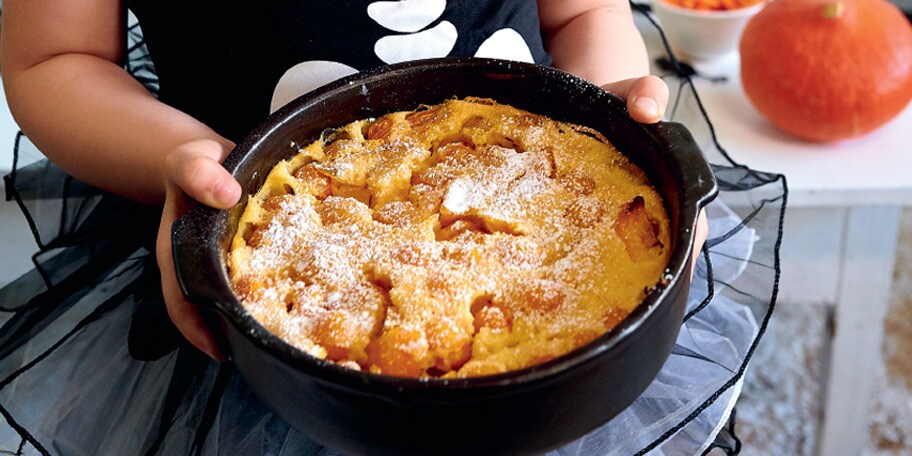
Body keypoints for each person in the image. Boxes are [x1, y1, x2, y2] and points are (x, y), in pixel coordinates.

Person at [0, 0, 705, 362]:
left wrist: (613, 137)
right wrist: (189, 157)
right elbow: (55, 57)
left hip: (555, 256)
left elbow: (584, 12)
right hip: (258, 273)